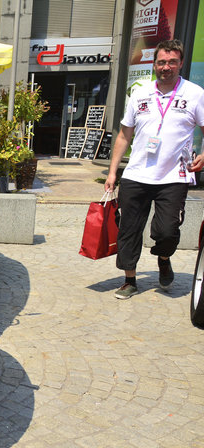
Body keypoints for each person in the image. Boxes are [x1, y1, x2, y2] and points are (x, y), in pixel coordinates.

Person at [105, 39, 204, 299]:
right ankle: (129, 280)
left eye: (172, 62)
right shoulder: (139, 94)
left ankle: (163, 257)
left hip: (174, 176)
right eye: (161, 62)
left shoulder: (194, 94)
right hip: (137, 175)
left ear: (180, 63)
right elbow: (124, 135)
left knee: (167, 231)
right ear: (154, 64)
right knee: (128, 228)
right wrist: (113, 172)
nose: (166, 67)